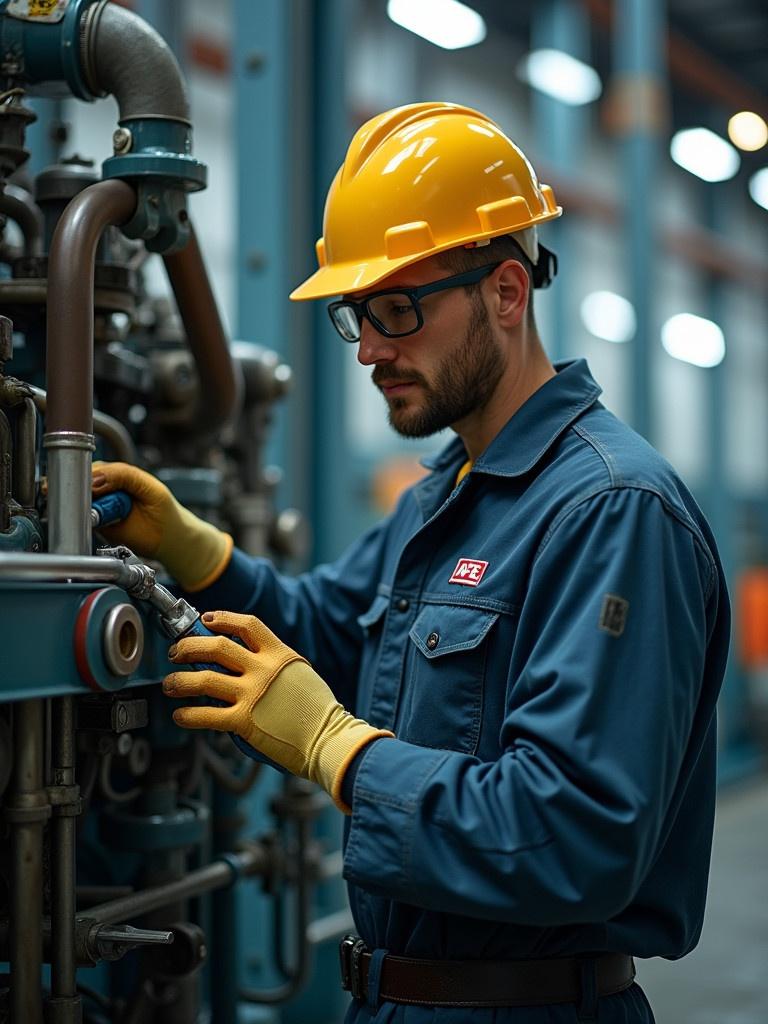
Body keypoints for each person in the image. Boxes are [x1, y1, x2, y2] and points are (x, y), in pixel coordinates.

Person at [92, 102, 730, 1023]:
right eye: (361, 316)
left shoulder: (611, 511)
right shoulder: (445, 494)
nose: (375, 350)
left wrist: (339, 751)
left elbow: (575, 835)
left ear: (507, 293)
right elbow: (325, 637)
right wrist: (195, 550)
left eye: (399, 309)